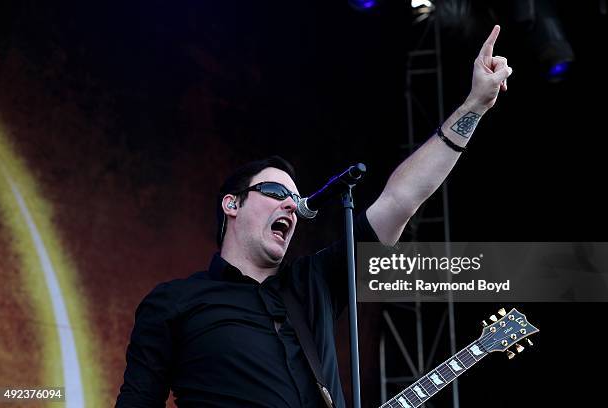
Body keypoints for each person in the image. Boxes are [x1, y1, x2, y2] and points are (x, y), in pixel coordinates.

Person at [115, 25, 512, 408]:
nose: (291, 204)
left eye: (296, 197)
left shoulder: (314, 283)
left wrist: (474, 106)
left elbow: (400, 199)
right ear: (232, 205)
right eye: (274, 192)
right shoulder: (174, 303)